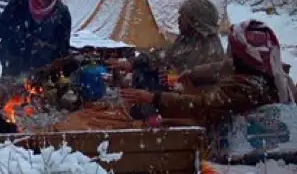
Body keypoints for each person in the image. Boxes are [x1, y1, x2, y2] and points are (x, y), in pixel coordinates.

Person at [118, 20, 296, 127]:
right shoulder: (275, 75)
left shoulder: (244, 87)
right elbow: (221, 67)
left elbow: (201, 104)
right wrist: (192, 73)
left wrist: (154, 98)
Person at [107, 0, 226, 82]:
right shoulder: (187, 39)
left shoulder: (210, 51)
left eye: (182, 16)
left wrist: (174, 80)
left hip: (190, 106)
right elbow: (166, 55)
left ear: (194, 21)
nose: (178, 20)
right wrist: (133, 62)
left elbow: (199, 87)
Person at [0, 0, 72, 78]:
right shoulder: (18, 4)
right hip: (14, 57)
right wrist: (19, 33)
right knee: (10, 88)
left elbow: (63, 47)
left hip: (44, 65)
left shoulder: (61, 13)